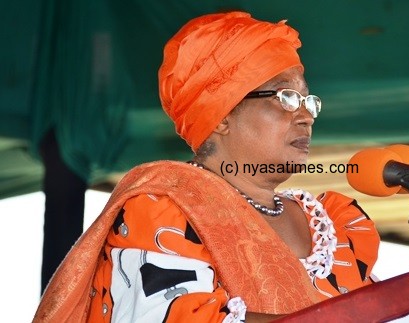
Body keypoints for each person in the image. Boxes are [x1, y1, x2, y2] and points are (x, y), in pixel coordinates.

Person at [33, 11, 380, 322]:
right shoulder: (162, 210)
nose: (305, 117)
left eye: (309, 101)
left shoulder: (334, 225)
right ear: (222, 116)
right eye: (286, 98)